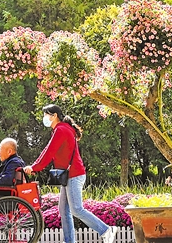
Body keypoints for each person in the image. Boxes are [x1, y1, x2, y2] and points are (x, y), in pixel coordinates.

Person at [24, 104, 118, 243]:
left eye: (46, 114)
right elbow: (47, 150)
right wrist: (34, 166)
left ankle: (106, 230)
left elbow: (49, 152)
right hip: (69, 175)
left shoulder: (61, 130)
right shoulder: (61, 129)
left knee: (76, 209)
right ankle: (69, 241)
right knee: (63, 210)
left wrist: (35, 167)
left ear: (54, 115)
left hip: (74, 175)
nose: (44, 118)